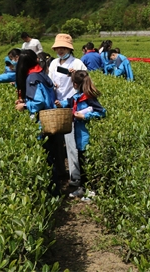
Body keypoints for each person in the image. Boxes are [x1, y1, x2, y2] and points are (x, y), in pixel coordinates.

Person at [14, 49, 62, 194]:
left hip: (43, 121)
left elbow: (39, 101)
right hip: (52, 118)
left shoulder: (32, 78)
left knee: (47, 157)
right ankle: (56, 188)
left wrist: (25, 106)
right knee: (52, 155)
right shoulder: (41, 73)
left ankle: (53, 191)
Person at [55, 71, 106, 199]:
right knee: (81, 163)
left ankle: (91, 190)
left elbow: (102, 112)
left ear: (75, 84)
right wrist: (60, 104)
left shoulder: (89, 98)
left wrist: (85, 116)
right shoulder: (77, 96)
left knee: (87, 164)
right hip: (79, 136)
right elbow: (69, 102)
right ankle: (82, 188)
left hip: (86, 136)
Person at [48, 34, 88, 187]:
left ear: (69, 49)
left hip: (71, 107)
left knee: (71, 145)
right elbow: (50, 80)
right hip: (56, 106)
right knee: (57, 143)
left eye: (63, 48)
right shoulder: (53, 63)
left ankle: (74, 176)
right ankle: (61, 173)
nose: (60, 50)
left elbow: (86, 82)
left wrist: (74, 75)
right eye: (58, 48)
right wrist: (52, 85)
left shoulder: (77, 63)